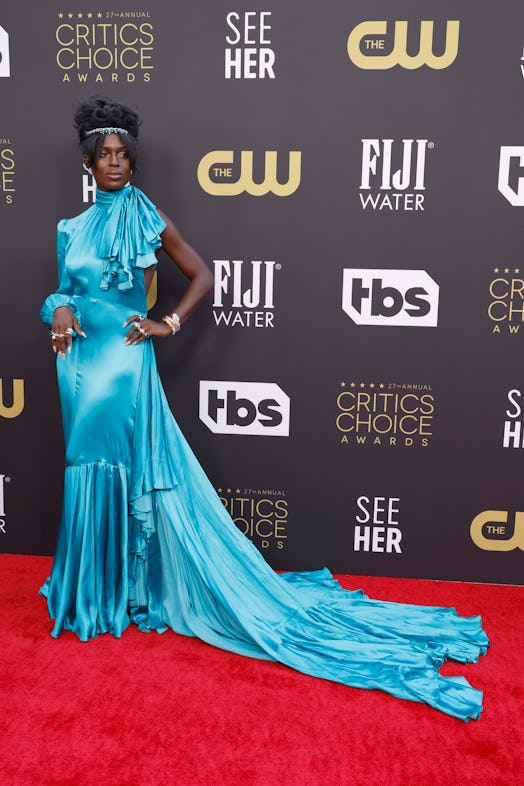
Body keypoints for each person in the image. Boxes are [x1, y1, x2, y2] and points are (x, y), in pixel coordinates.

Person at [41, 96, 488, 721]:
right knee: (85, 467)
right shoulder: (69, 228)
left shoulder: (149, 217)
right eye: (104, 156)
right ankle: (90, 592)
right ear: (88, 163)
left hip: (124, 360)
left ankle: (126, 593)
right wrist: (57, 310)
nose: (114, 164)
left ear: (132, 163)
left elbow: (202, 274)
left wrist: (166, 321)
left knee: (126, 469)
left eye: (123, 155)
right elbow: (65, 288)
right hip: (77, 365)